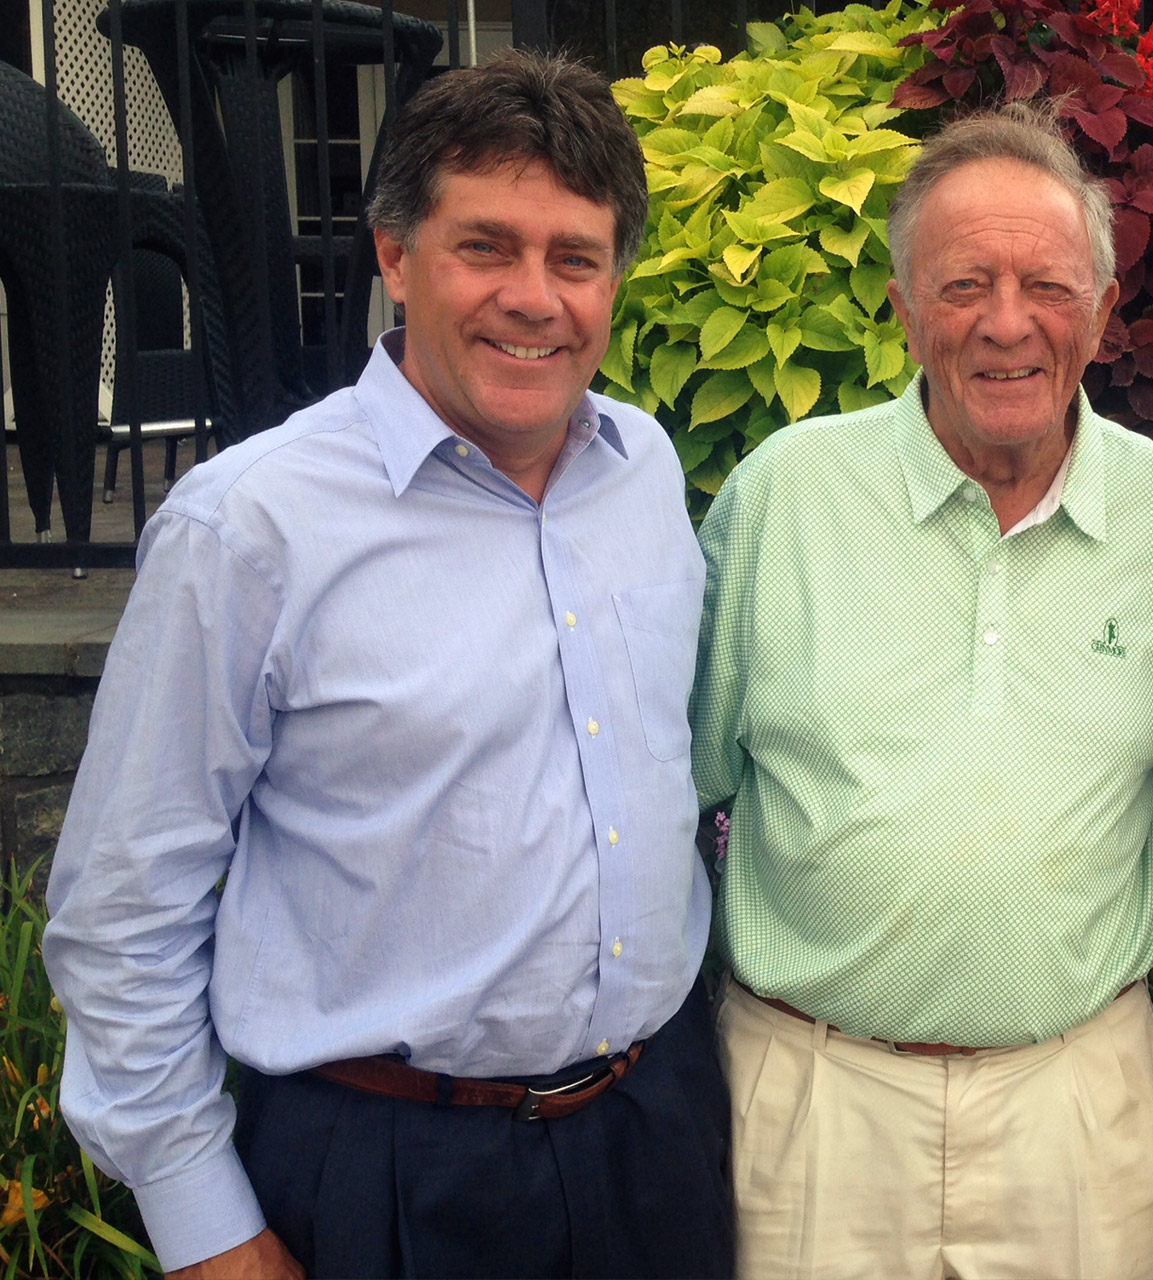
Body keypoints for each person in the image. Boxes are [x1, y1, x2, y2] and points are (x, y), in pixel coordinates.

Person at [43, 50, 731, 1280]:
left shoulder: (646, 471)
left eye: (575, 257)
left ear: (615, 279)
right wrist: (210, 1228)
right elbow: (122, 908)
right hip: (386, 1174)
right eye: (486, 248)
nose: (536, 297)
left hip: (651, 1138)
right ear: (396, 257)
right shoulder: (247, 528)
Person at [692, 100, 1153, 1280]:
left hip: (1078, 1102)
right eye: (962, 283)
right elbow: (692, 773)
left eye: (1046, 284)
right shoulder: (784, 497)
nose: (1005, 324)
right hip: (815, 1096)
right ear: (901, 307)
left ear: (1101, 305)